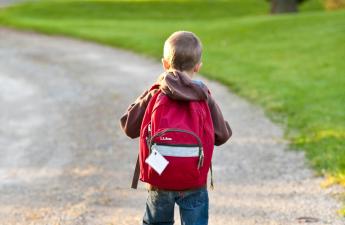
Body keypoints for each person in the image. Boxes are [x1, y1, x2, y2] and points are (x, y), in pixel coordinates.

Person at [120, 31, 231, 225]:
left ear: (164, 64)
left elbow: (129, 127)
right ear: (198, 67)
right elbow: (222, 136)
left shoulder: (156, 93)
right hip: (194, 179)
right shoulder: (204, 96)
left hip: (159, 175)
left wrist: (149, 92)